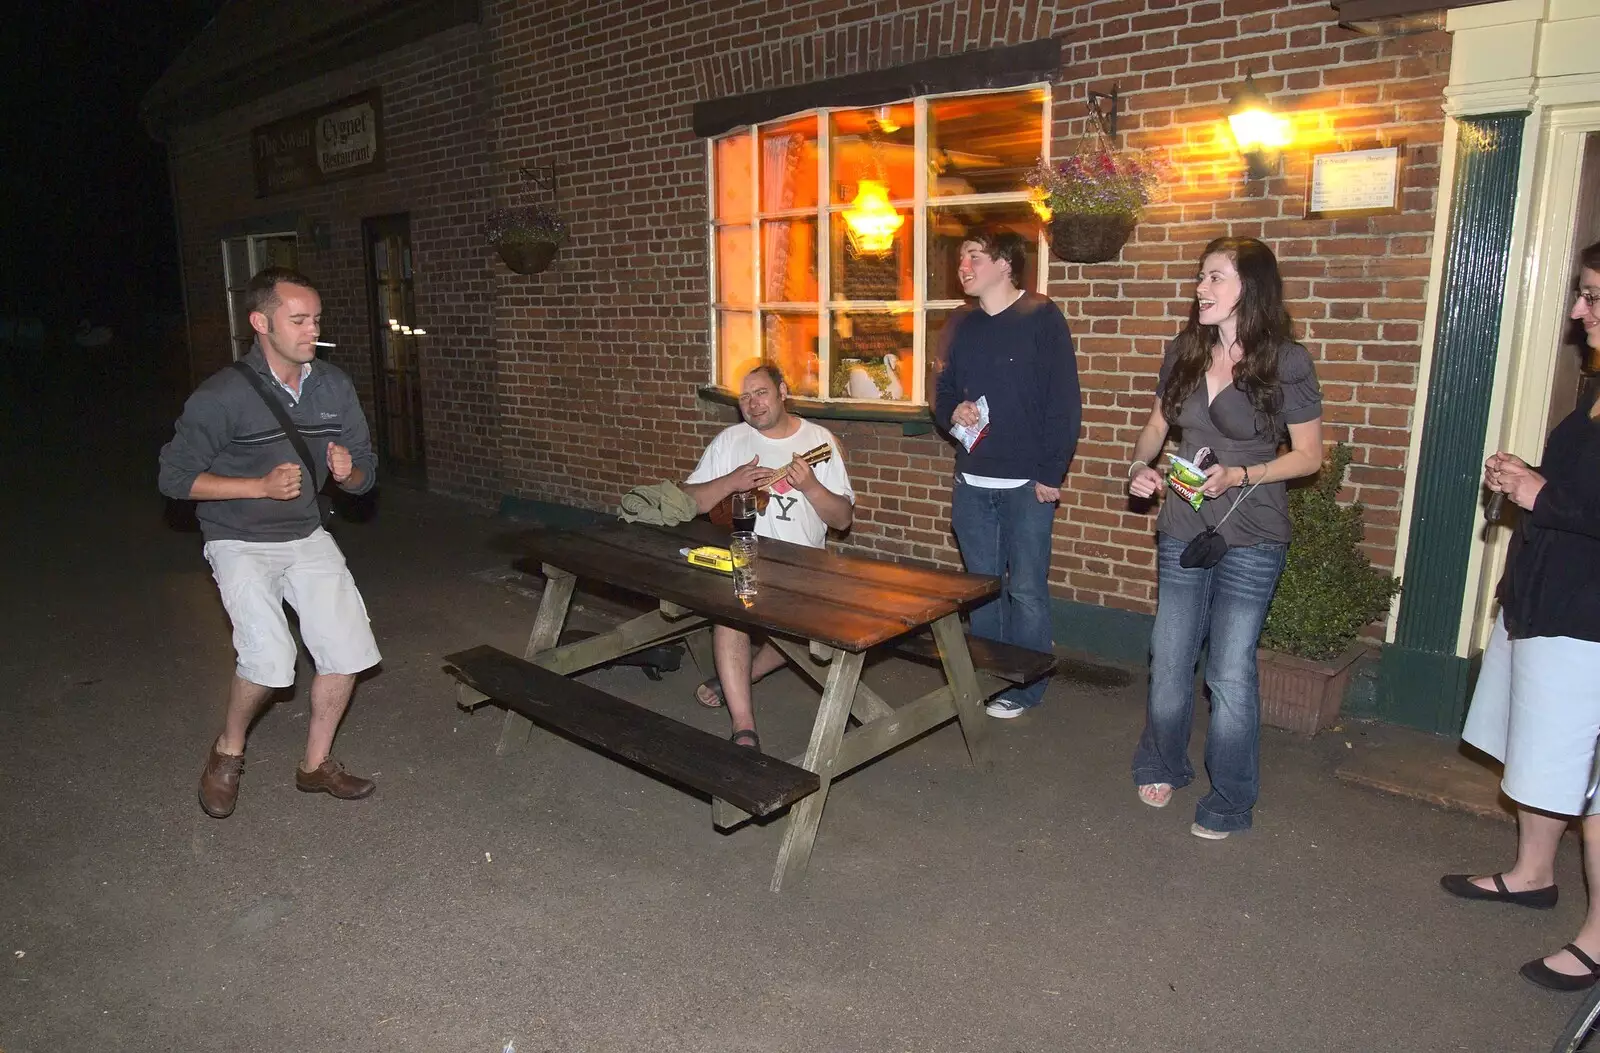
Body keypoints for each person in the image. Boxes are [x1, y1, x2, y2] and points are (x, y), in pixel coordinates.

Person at [158, 267, 382, 818]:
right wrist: (255, 486)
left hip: (306, 531)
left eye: (317, 320)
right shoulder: (222, 396)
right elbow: (173, 478)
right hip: (239, 539)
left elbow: (365, 476)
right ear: (261, 322)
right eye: (299, 319)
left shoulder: (333, 386)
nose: (313, 330)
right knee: (270, 660)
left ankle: (315, 765)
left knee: (348, 649)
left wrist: (350, 473)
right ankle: (228, 752)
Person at [1440, 239, 1600, 991]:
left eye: (1593, 296)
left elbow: (1575, 501)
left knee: (1589, 779)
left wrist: (1544, 495)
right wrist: (1528, 482)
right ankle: (1533, 871)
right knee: (1535, 745)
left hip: (1591, 615)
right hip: (1548, 596)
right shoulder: (1594, 387)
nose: (1577, 310)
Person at [1126, 236, 1324, 839]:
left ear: (1251, 289)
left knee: (1230, 669)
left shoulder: (1287, 361)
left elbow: (1310, 458)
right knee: (1170, 654)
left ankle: (1231, 797)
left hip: (1252, 528)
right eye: (1201, 277)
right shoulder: (1184, 350)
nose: (1201, 288)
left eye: (1215, 278)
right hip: (1184, 521)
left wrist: (1243, 472)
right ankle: (1162, 760)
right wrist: (1141, 467)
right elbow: (1158, 425)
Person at [933, 227, 1080, 717]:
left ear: (1004, 264)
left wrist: (1051, 472)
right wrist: (954, 409)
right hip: (972, 481)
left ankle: (1028, 683)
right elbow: (942, 391)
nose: (964, 265)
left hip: (1025, 484)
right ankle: (991, 674)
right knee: (983, 588)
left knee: (1027, 589)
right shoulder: (961, 324)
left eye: (975, 255)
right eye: (961, 258)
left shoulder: (1041, 316)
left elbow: (1064, 402)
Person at [682, 363, 854, 750]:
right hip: (742, 559)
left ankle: (743, 676)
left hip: (804, 567)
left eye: (760, 392)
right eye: (744, 397)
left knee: (800, 627)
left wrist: (810, 486)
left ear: (782, 391)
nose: (752, 403)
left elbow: (842, 519)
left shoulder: (818, 440)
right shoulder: (730, 441)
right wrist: (732, 481)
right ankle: (744, 727)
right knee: (730, 614)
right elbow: (688, 502)